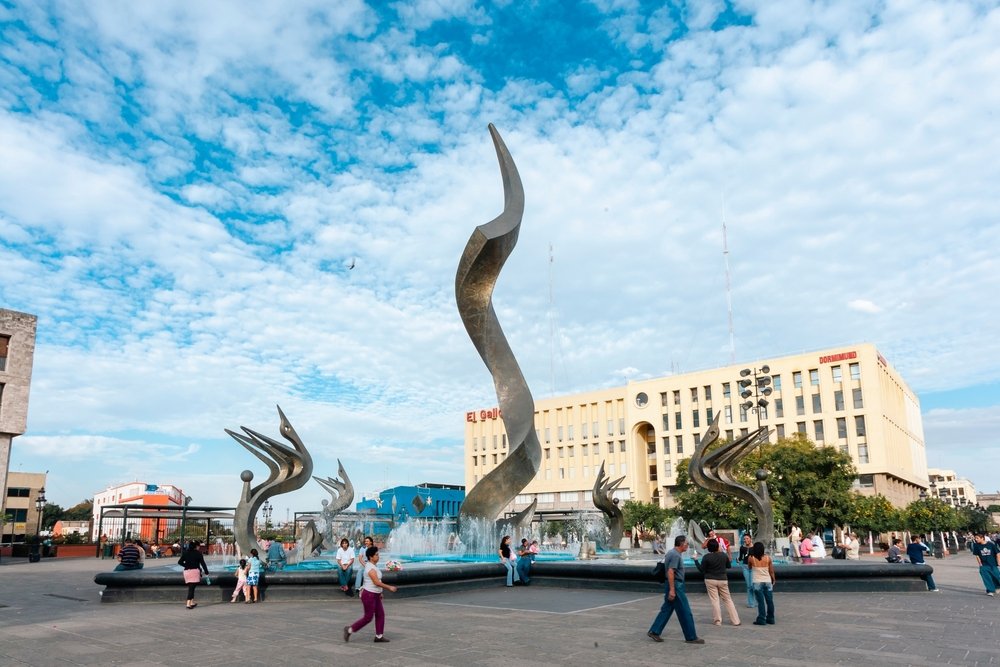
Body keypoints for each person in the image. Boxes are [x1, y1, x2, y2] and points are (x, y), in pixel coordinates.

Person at [647, 535, 704, 644]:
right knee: (685, 611)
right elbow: (670, 571)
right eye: (687, 544)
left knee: (667, 609)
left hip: (672, 584)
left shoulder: (671, 553)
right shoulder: (675, 555)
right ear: (682, 544)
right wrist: (672, 590)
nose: (688, 546)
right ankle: (691, 637)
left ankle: (654, 631)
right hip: (676, 585)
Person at [344, 546, 398, 643]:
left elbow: (377, 582)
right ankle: (349, 630)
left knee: (380, 614)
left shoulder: (373, 566)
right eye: (376, 555)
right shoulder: (370, 568)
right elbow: (376, 582)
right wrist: (389, 587)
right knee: (368, 617)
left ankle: (379, 636)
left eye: (378, 554)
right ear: (371, 557)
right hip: (369, 595)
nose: (378, 556)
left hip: (375, 594)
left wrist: (380, 592)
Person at [699, 538, 741, 627]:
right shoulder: (723, 555)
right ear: (718, 546)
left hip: (710, 579)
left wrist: (695, 560)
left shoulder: (706, 557)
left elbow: (702, 570)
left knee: (715, 600)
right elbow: (729, 566)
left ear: (708, 548)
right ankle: (736, 621)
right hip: (722, 579)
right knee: (728, 600)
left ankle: (718, 621)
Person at [747, 541, 775, 626]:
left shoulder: (751, 558)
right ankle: (771, 618)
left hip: (757, 581)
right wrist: (773, 579)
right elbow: (771, 571)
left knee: (761, 601)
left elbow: (749, 567)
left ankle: (761, 619)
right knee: (769, 601)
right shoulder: (768, 558)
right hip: (767, 581)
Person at [178, 540, 209, 609]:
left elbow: (179, 562)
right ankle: (188, 603)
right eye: (199, 546)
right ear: (196, 546)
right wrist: (206, 571)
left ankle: (192, 602)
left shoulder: (185, 552)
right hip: (194, 572)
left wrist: (186, 565)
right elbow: (203, 564)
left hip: (186, 572)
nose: (199, 547)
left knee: (192, 587)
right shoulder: (198, 553)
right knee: (191, 588)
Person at [737, 533, 756, 608]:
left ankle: (757, 600)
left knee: (752, 585)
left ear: (751, 539)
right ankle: (751, 603)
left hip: (753, 567)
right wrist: (738, 560)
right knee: (749, 586)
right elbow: (741, 557)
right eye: (744, 539)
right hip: (745, 567)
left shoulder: (754, 547)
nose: (745, 540)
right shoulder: (742, 547)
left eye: (747, 538)